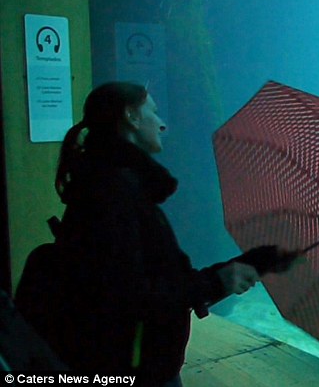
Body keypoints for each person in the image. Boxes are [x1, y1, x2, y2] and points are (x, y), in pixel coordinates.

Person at [36, 82, 296, 385]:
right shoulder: (112, 194)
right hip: (133, 370)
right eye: (153, 112)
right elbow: (127, 297)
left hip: (139, 363)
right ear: (131, 117)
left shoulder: (115, 184)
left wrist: (253, 262)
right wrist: (214, 282)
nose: (162, 123)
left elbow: (158, 279)